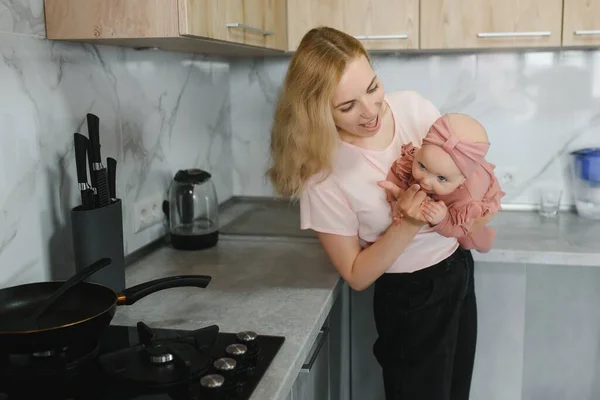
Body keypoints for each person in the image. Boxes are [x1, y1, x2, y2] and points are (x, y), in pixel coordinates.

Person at [266, 26, 495, 400]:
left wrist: (476, 207)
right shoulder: (321, 173)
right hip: (410, 297)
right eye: (347, 106)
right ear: (317, 109)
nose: (371, 110)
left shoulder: (414, 107)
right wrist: (407, 225)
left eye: (372, 88)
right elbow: (357, 274)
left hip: (457, 269)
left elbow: (458, 176)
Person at [385, 113, 505, 253]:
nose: (425, 181)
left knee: (468, 238)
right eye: (422, 166)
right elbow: (397, 174)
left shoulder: (467, 199)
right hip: (458, 170)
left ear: (462, 179)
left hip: (481, 194)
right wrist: (396, 203)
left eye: (441, 178)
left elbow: (460, 229)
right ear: (420, 150)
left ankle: (486, 239)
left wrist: (443, 220)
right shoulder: (426, 159)